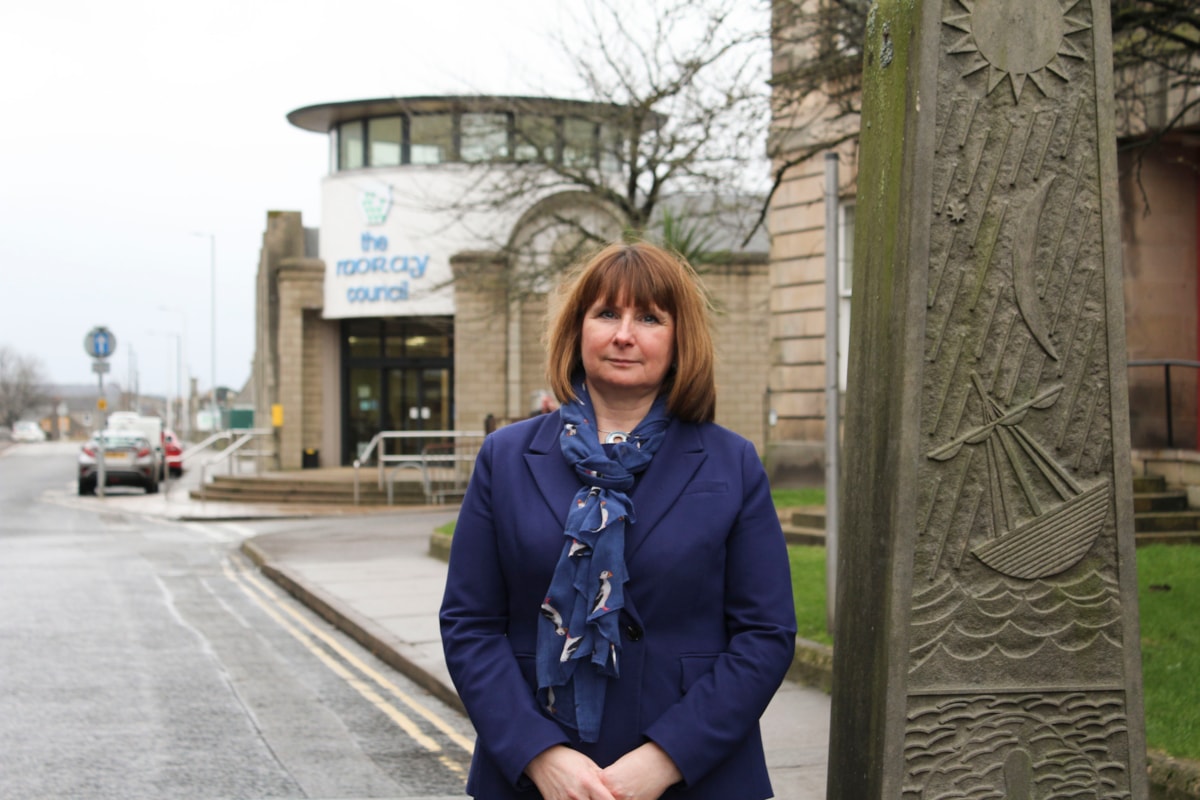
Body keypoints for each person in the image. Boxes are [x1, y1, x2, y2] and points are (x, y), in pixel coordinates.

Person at [439, 241, 796, 800]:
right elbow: (470, 625)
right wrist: (540, 755)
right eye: (607, 313)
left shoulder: (732, 463)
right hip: (538, 779)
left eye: (650, 317)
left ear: (679, 341)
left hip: (695, 776)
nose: (624, 334)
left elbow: (765, 635)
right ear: (578, 331)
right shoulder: (505, 459)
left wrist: (663, 760)